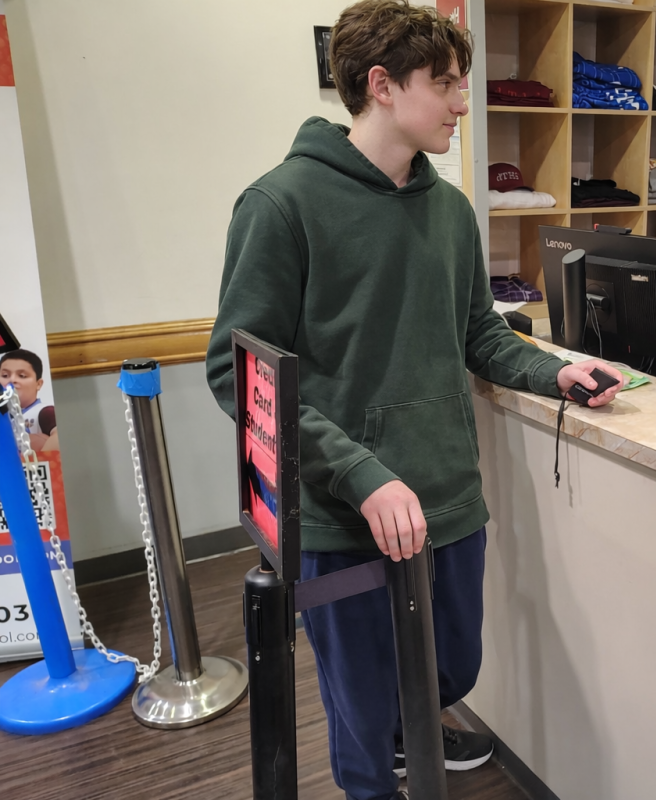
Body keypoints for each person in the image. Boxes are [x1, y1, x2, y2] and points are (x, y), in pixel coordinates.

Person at [204, 3, 624, 798]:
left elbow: (479, 336)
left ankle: (410, 742)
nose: (465, 103)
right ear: (382, 86)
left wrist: (552, 373)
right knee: (360, 705)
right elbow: (239, 374)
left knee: (452, 666)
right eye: (448, 84)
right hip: (344, 512)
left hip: (447, 498)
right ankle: (375, 776)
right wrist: (361, 475)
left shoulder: (450, 210)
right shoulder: (281, 205)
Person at [0, 348, 58, 452]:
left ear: (38, 384)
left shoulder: (45, 411)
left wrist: (39, 459)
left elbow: (60, 438)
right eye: (5, 375)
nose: (12, 380)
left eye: (22, 376)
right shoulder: (3, 417)